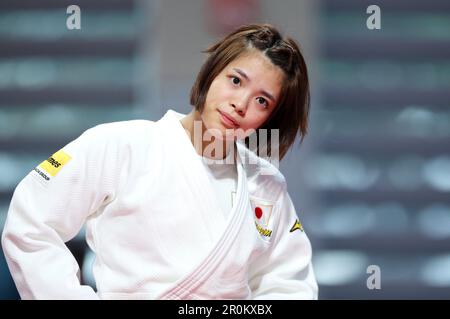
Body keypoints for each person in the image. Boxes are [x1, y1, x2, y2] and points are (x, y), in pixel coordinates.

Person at [1, 23, 318, 300]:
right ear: (210, 75)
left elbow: (290, 284)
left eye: (262, 101)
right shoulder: (122, 145)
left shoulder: (266, 184)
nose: (240, 104)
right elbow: (30, 222)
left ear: (269, 118)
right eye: (235, 81)